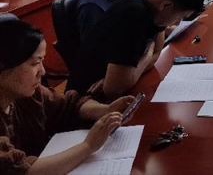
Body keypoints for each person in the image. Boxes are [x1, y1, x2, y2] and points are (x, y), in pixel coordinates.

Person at [0, 20, 136, 175]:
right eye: (35, 63)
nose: (42, 71)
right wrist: (88, 146)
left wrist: (105, 110)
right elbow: (22, 171)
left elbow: (68, 105)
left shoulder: (30, 93)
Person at [68, 0, 204, 99]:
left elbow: (157, 52)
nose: (177, 23)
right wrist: (147, 56)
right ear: (166, 5)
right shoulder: (133, 15)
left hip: (118, 86)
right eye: (179, 18)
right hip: (84, 100)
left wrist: (129, 74)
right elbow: (113, 89)